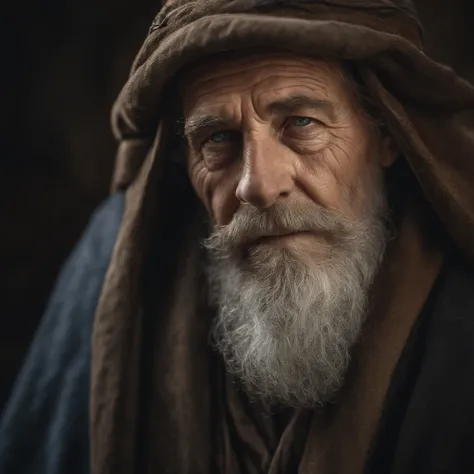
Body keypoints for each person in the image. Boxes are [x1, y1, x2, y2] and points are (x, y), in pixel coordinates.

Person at [3, 0, 474, 473]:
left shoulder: (458, 296)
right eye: (218, 138)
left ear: (386, 133)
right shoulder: (118, 263)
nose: (258, 185)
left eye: (301, 123)